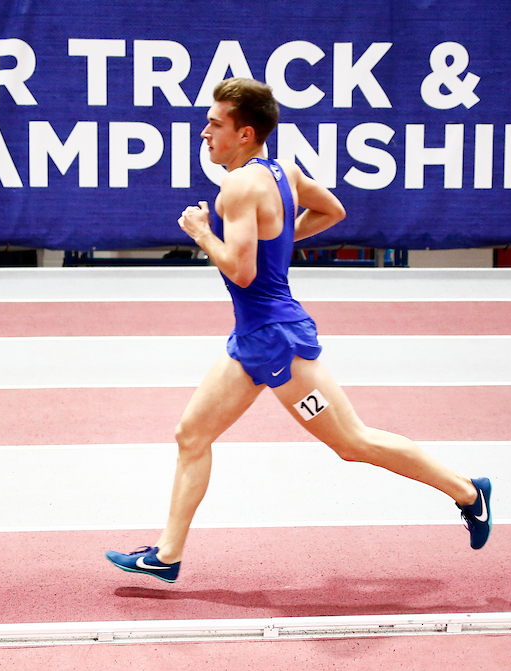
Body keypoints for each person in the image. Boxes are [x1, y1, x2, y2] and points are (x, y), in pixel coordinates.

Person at [105, 78, 491, 583]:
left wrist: (201, 234)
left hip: (276, 341)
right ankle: (167, 555)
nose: (205, 134)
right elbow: (332, 210)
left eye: (215, 125)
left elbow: (240, 271)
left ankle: (468, 490)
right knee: (191, 435)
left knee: (352, 442)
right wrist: (277, 245)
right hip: (255, 338)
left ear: (245, 134)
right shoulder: (280, 168)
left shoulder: (239, 186)